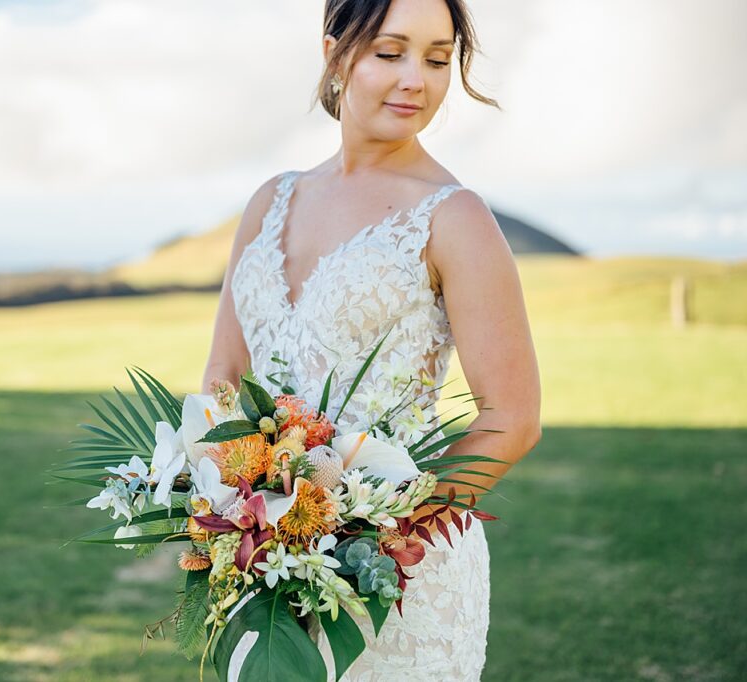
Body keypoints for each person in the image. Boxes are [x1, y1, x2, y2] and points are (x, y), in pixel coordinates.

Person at [201, 0, 541, 679]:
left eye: (439, 59)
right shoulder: (270, 202)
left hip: (399, 579)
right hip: (262, 563)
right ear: (334, 53)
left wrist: (373, 532)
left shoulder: (455, 217)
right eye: (391, 52)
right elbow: (222, 381)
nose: (417, 79)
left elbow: (513, 418)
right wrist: (227, 512)